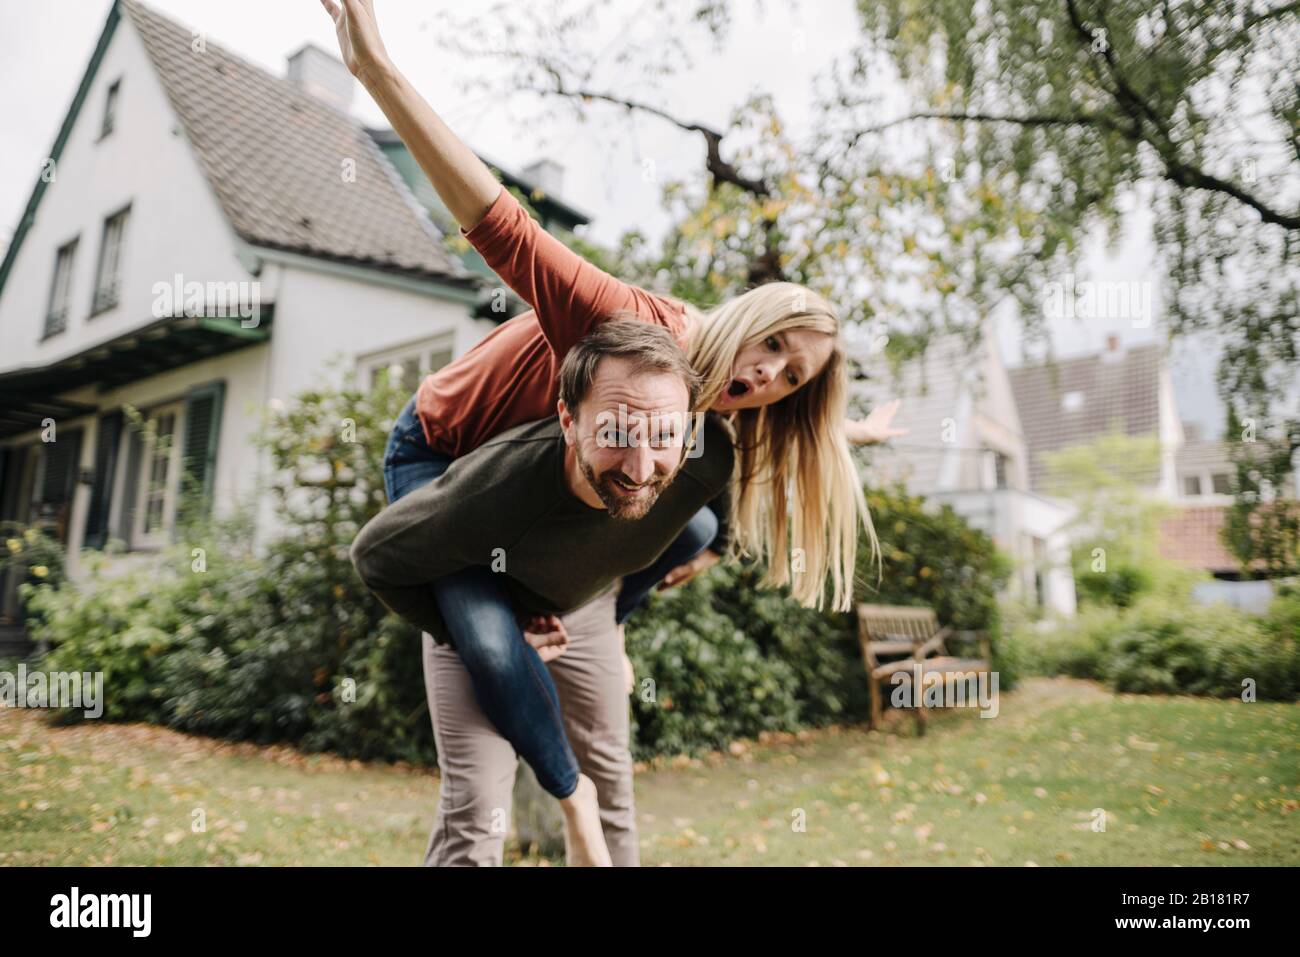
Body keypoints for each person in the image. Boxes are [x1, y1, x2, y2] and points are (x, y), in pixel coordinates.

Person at [321, 0, 907, 864]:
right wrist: (378, 72)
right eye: (773, 347)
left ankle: (595, 635)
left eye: (792, 379)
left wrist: (849, 427)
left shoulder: (719, 418)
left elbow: (797, 430)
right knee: (489, 648)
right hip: (440, 456)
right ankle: (566, 798)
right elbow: (503, 226)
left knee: (700, 519)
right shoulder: (621, 322)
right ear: (745, 316)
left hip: (543, 522)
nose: (767, 378)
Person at [352, 321, 734, 865]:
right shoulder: (491, 492)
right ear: (568, 421)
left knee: (612, 786)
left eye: (664, 436)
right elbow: (374, 557)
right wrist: (476, 627)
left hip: (589, 604)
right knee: (479, 807)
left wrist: (619, 612)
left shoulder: (710, 460)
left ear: (690, 430)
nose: (641, 467)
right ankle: (564, 792)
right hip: (481, 586)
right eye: (616, 433)